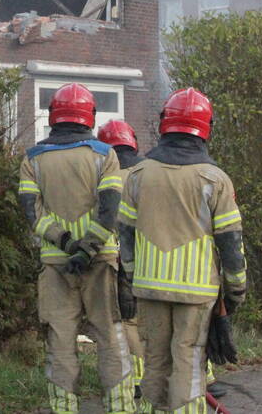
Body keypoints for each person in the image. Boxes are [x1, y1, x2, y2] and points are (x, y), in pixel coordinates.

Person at [117, 88, 247, 414]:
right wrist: (236, 290)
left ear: (164, 124)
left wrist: (131, 278)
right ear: (206, 127)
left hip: (148, 286)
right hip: (198, 290)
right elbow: (231, 243)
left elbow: (126, 236)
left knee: (155, 360)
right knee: (188, 362)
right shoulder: (215, 179)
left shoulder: (137, 176)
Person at [18, 83, 136, 414]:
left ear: (54, 117)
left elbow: (32, 212)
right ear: (90, 117)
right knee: (110, 338)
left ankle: (64, 408)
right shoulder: (104, 155)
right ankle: (122, 408)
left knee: (60, 340)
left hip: (56, 264)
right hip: (100, 261)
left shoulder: (33, 159)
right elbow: (110, 210)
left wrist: (66, 242)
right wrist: (88, 248)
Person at [96, 120, 145, 398]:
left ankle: (137, 378)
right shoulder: (148, 171)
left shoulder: (106, 175)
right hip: (152, 258)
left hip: (117, 258)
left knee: (127, 319)